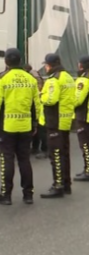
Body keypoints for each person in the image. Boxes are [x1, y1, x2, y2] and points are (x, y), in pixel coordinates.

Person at [0, 48, 41, 205]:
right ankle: (28, 194)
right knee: (25, 160)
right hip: (25, 126)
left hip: (7, 126)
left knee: (7, 159)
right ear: (20, 60)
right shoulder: (30, 79)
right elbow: (36, 104)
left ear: (6, 61)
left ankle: (6, 195)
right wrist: (35, 122)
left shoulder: (2, 78)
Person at [39, 53, 76, 198]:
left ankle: (58, 185)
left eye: (46, 64)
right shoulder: (67, 77)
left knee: (55, 155)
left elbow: (51, 99)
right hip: (66, 121)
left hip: (55, 122)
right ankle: (66, 184)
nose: (45, 67)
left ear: (50, 65)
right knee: (64, 154)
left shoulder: (53, 80)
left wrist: (41, 95)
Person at [26, 63, 47, 158]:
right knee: (39, 129)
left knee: (39, 129)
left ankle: (42, 149)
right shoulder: (36, 74)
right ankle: (36, 148)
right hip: (39, 103)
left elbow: (37, 89)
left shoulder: (31, 76)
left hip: (38, 103)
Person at [73, 56, 89, 181]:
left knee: (85, 145)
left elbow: (77, 100)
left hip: (84, 117)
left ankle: (88, 171)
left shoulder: (83, 79)